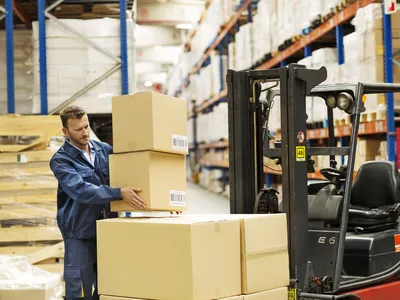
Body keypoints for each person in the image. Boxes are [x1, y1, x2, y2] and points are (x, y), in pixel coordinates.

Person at [50, 105, 145, 300]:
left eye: (86, 126)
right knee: (80, 290)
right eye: (78, 129)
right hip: (80, 233)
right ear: (65, 132)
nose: (84, 133)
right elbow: (81, 190)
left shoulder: (104, 150)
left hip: (107, 229)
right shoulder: (61, 160)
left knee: (107, 288)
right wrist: (118, 193)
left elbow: (130, 175)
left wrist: (165, 204)